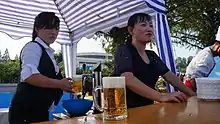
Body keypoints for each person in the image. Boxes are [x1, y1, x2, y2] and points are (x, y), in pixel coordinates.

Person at [114, 13, 195, 108]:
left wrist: (192, 94)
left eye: (151, 26)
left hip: (147, 109)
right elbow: (127, 79)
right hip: (125, 111)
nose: (149, 29)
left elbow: (171, 77)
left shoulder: (152, 55)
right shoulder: (124, 50)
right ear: (131, 30)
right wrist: (161, 96)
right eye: (143, 25)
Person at [8, 12, 73, 123]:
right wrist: (59, 84)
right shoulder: (33, 47)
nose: (54, 32)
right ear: (37, 28)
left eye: (56, 28)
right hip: (25, 114)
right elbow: (30, 76)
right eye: (48, 27)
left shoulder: (48, 52)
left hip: (39, 112)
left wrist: (65, 84)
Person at [184, 26, 220, 92]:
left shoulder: (207, 52)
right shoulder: (207, 57)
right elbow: (194, 79)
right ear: (218, 47)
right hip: (189, 89)